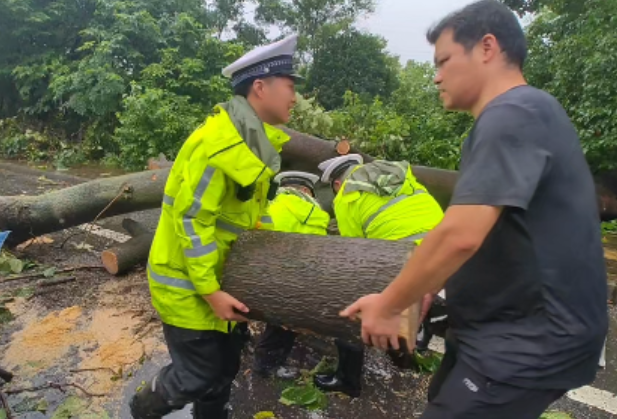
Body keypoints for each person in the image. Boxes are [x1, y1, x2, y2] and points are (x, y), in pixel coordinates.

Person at [340, 1, 608, 418]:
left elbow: (460, 234)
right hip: (498, 331)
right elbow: (492, 231)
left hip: (528, 342)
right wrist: (428, 285)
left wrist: (390, 304)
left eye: (444, 60)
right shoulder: (519, 115)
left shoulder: (512, 115)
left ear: (487, 47)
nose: (436, 76)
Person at [129, 34, 301, 419]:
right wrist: (210, 292)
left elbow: (254, 221)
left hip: (219, 281)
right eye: (290, 87)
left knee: (223, 370)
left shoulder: (251, 144)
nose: (295, 98)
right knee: (196, 374)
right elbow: (192, 221)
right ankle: (140, 409)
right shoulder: (219, 144)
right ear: (261, 87)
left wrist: (278, 279)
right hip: (188, 287)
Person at [314, 154, 445, 397]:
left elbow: (355, 250)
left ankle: (347, 379)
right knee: (418, 298)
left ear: (336, 184)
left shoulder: (346, 195)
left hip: (403, 255)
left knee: (349, 307)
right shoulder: (400, 177)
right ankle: (406, 355)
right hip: (442, 249)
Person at [253, 171, 331, 377]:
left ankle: (250, 347)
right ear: (305, 191)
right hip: (291, 279)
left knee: (273, 321)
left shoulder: (270, 206)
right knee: (283, 326)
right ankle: (267, 366)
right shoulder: (308, 211)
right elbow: (317, 250)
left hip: (259, 273)